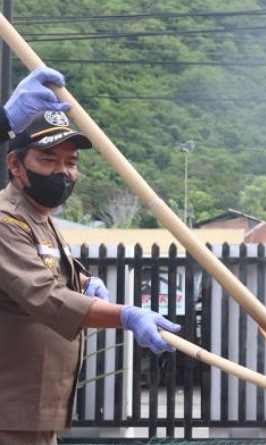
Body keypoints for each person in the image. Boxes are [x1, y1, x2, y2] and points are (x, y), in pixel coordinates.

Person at [0, 67, 181, 445]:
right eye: (48, 161)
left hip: (34, 410)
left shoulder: (38, 217)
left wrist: (84, 282)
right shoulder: (5, 221)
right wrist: (125, 316)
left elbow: (54, 273)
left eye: (71, 162)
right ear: (15, 165)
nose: (63, 173)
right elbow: (46, 296)